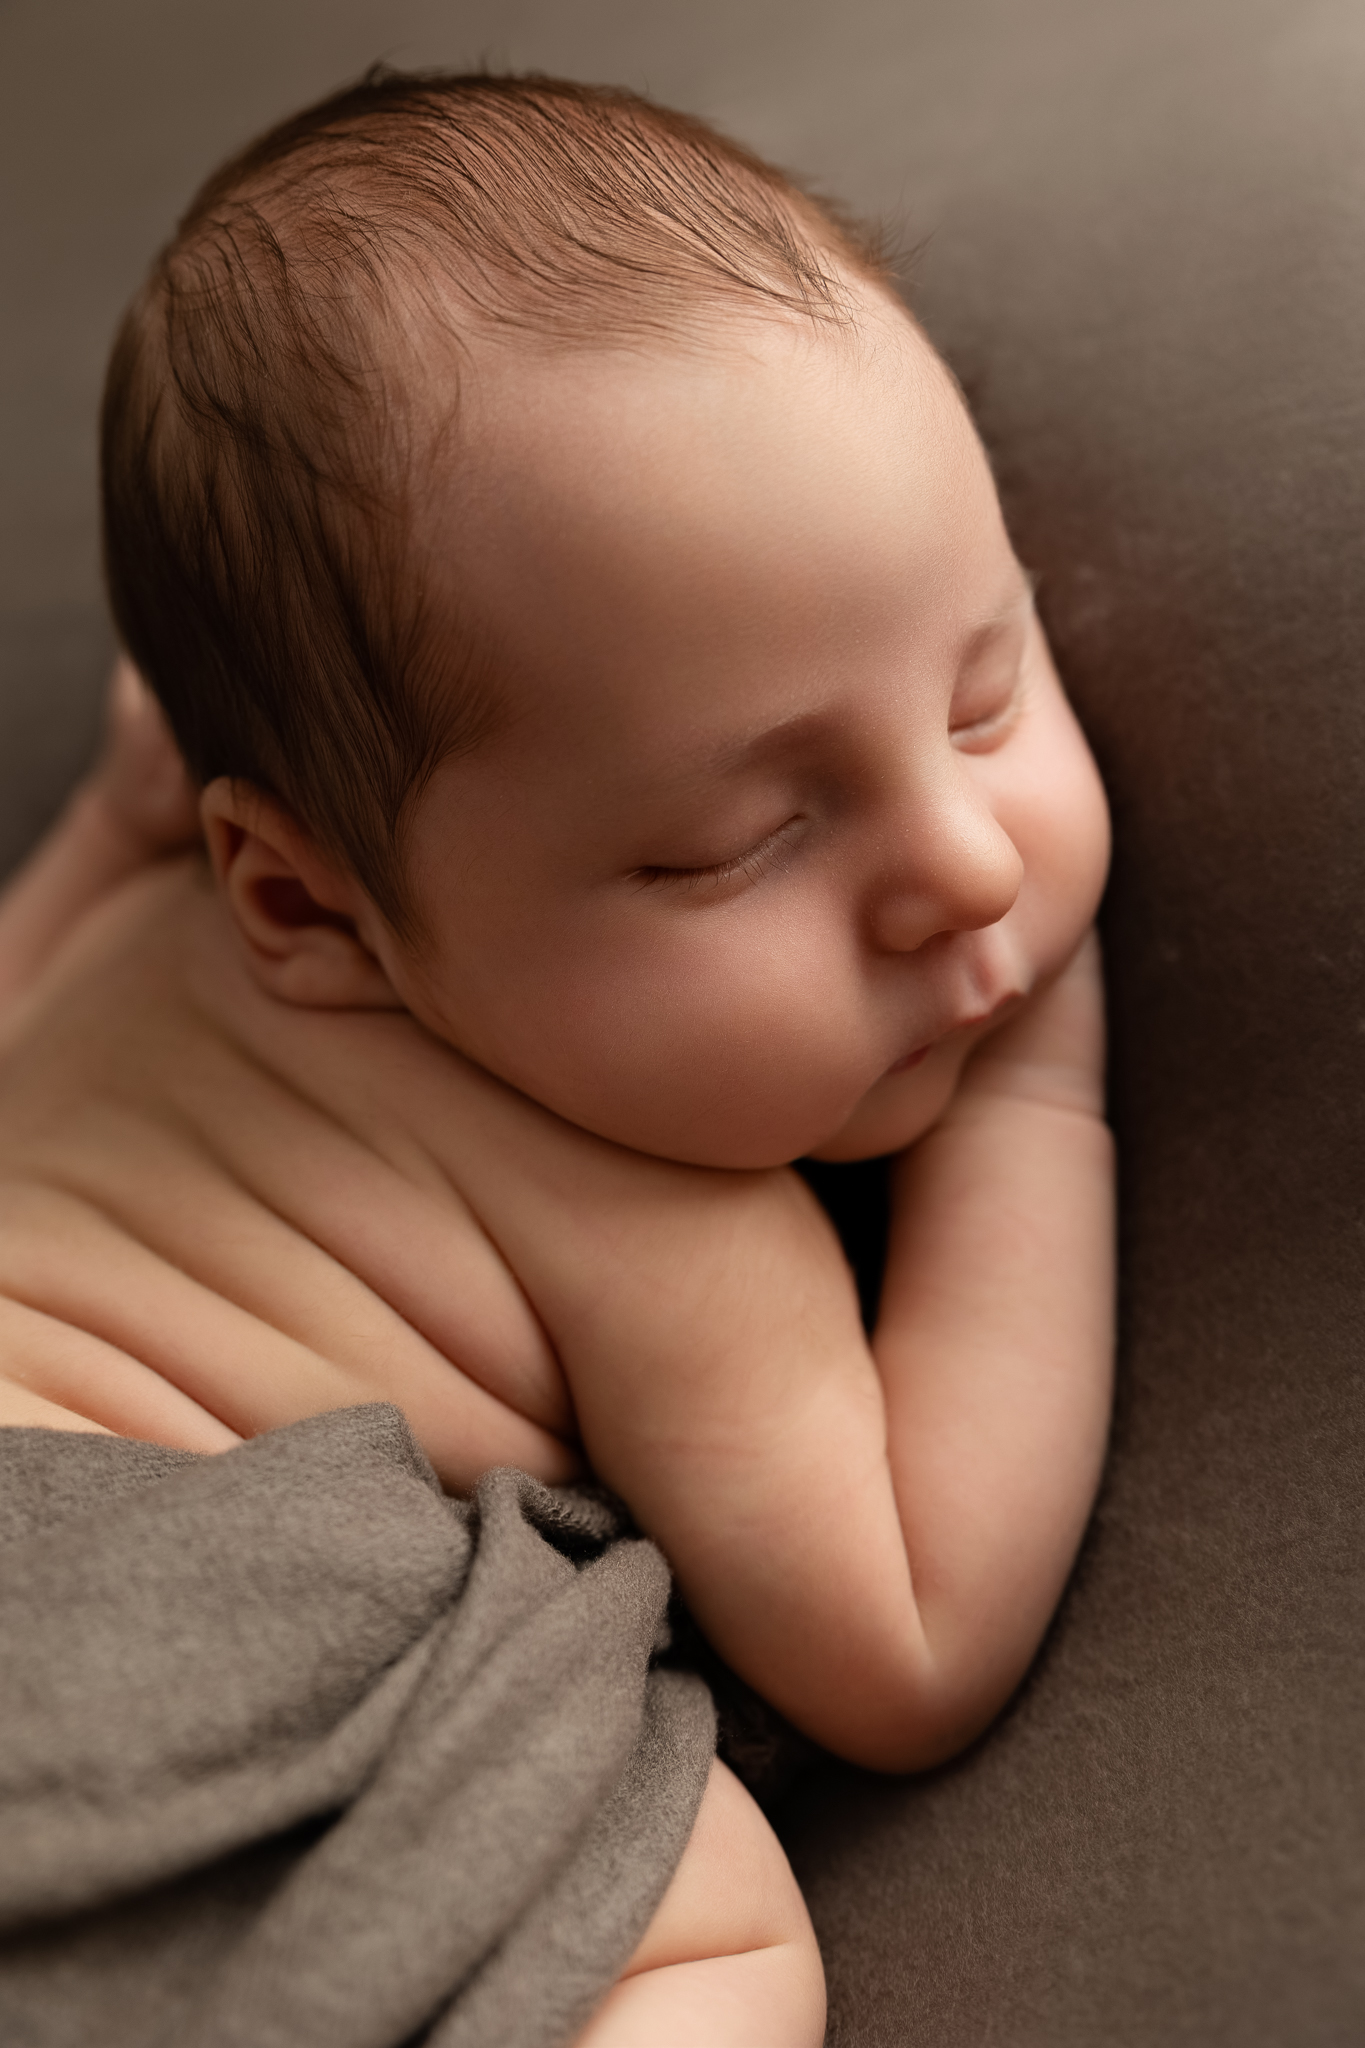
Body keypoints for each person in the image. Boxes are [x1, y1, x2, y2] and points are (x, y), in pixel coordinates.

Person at [0, 72, 1113, 2045]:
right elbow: (911, 1637)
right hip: (130, 1591)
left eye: (980, 686)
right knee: (701, 1908)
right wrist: (1030, 1100)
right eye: (725, 845)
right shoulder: (650, 1201)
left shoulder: (116, 944)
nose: (962, 867)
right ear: (311, 905)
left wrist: (99, 828)